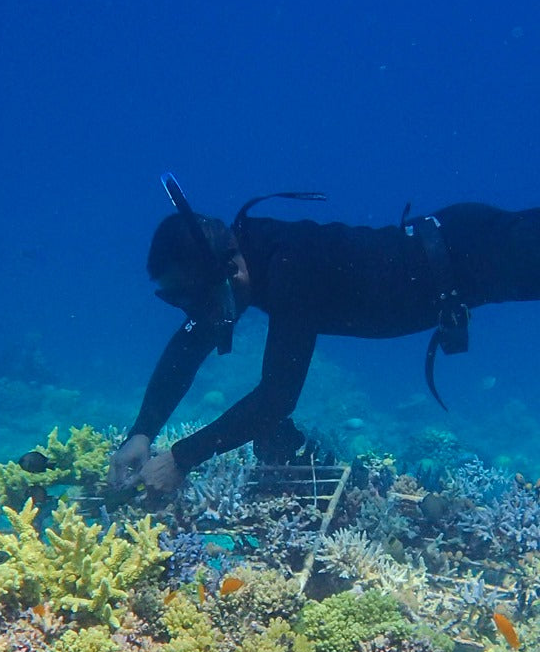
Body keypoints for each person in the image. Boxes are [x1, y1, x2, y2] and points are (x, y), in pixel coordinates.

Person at [108, 175, 540, 496]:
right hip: (460, 247)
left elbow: (276, 399)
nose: (197, 314)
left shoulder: (290, 270)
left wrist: (181, 459)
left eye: (194, 298)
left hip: (480, 254)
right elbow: (189, 344)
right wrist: (142, 431)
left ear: (229, 271)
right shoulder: (240, 258)